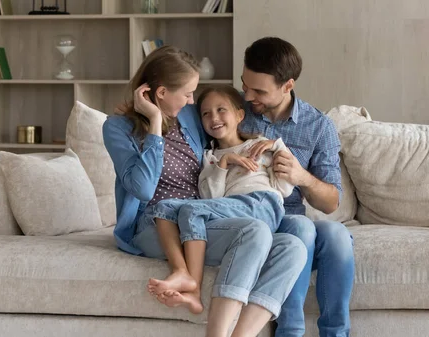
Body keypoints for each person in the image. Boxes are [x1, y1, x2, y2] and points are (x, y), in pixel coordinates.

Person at [102, 45, 307, 337]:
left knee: (293, 248)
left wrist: (270, 145)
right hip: (155, 224)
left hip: (200, 219)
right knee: (255, 232)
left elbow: (229, 119)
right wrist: (155, 125)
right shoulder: (116, 128)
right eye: (187, 94)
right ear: (161, 93)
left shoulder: (187, 117)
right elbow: (144, 189)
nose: (191, 101)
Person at [141, 84, 295, 315]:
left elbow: (284, 188)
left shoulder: (259, 146)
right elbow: (212, 198)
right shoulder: (210, 158)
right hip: (237, 215)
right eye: (206, 113)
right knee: (164, 208)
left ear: (240, 114)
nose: (214, 118)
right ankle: (192, 293)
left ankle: (189, 280)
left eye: (221, 110)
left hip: (264, 205)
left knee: (191, 211)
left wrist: (278, 147)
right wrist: (224, 163)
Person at [238, 37, 356, 337]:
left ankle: (336, 333)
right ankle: (289, 331)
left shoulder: (318, 126)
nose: (248, 95)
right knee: (303, 228)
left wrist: (301, 176)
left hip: (288, 218)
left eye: (259, 91)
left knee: (337, 234)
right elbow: (184, 111)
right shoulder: (233, 111)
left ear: (287, 85)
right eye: (245, 84)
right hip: (249, 218)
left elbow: (330, 203)